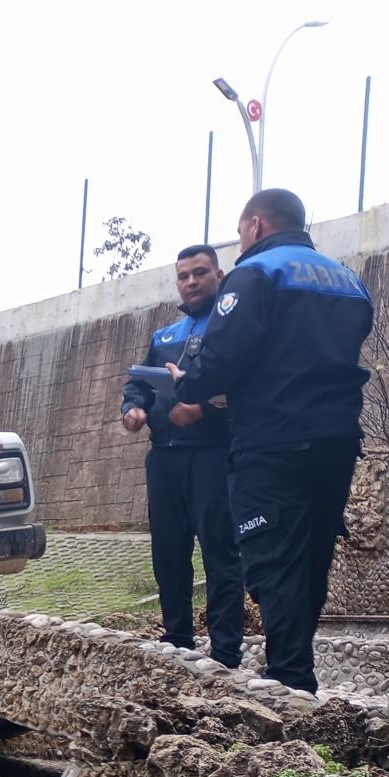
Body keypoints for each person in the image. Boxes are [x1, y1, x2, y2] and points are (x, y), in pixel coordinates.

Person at [170, 189, 374, 693]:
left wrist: (186, 382)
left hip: (272, 442)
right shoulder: (349, 281)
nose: (240, 240)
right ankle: (296, 669)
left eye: (240, 230)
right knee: (312, 554)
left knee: (270, 557)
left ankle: (289, 678)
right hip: (336, 440)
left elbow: (218, 358)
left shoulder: (255, 273)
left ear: (256, 225)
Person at [120, 244, 244, 668]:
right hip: (164, 459)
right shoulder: (164, 336)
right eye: (183, 275)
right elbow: (139, 385)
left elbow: (247, 387)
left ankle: (226, 652)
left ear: (218, 276)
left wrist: (204, 409)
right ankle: (177, 641)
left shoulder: (232, 328)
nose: (191, 282)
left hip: (213, 455)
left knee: (220, 551)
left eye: (200, 273)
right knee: (168, 553)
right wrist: (132, 409)